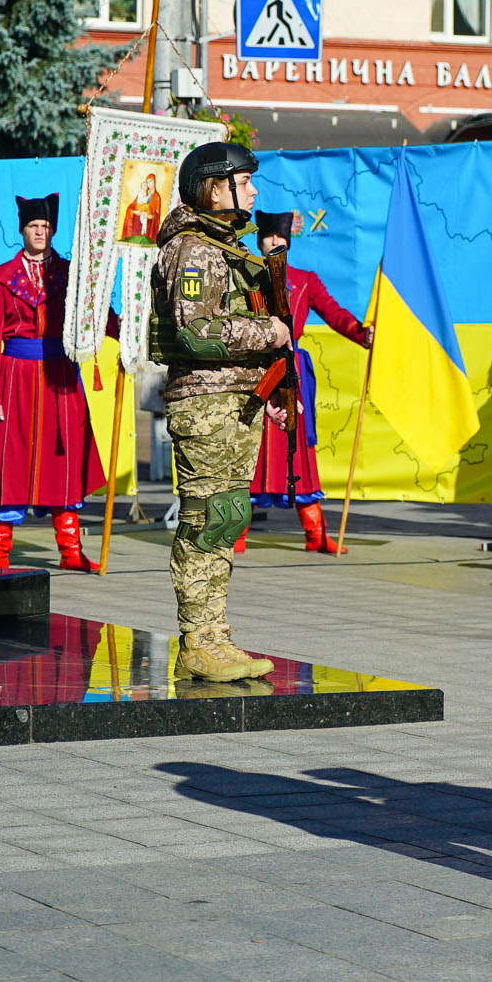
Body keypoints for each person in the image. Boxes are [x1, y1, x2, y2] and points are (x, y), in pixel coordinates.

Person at [152, 142, 294, 683]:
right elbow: (194, 331)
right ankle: (198, 640)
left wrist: (272, 390)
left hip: (235, 402)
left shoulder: (223, 247)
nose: (254, 190)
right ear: (215, 187)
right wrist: (270, 332)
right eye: (244, 180)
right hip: (206, 403)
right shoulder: (192, 250)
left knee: (227, 517)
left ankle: (214, 633)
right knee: (206, 519)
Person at [0, 194, 111, 573]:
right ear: (23, 229)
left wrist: (126, 336)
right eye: (34, 226)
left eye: (46, 226)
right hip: (14, 377)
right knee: (8, 463)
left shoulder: (71, 274)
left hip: (59, 377)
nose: (40, 232)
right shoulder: (0, 276)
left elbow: (97, 317)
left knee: (61, 462)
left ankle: (71, 551)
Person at [245, 210, 372, 553]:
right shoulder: (247, 277)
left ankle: (316, 534)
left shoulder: (304, 281)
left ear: (289, 241)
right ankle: (236, 534)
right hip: (255, 369)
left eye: (280, 238)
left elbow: (334, 314)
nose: (274, 242)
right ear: (260, 240)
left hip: (291, 373)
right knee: (251, 447)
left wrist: (363, 334)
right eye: (268, 237)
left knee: (297, 450)